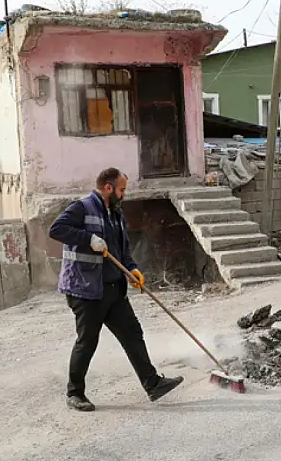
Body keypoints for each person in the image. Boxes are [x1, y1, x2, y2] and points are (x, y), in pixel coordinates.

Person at [49, 167, 183, 412]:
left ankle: (153, 384)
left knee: (132, 333)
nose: (124, 194)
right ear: (108, 188)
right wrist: (88, 239)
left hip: (113, 288)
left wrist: (132, 269)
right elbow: (56, 229)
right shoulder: (82, 207)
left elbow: (123, 249)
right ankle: (75, 393)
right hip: (86, 291)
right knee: (87, 341)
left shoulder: (115, 214)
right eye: (122, 189)